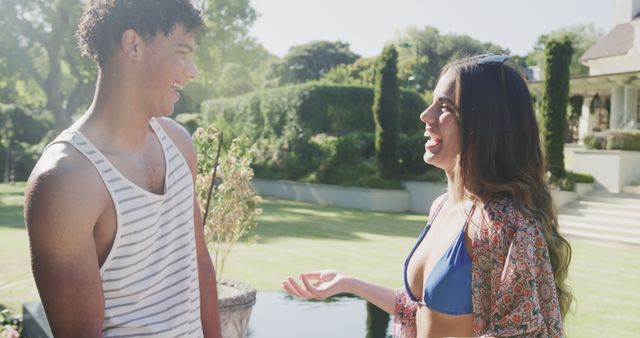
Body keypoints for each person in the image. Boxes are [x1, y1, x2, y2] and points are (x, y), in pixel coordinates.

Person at [282, 54, 573, 337]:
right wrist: (350, 283)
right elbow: (422, 313)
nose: (426, 115)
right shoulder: (442, 207)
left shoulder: (508, 224)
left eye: (445, 106)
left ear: (484, 125)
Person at [24, 1, 222, 337]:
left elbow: (199, 264)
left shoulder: (178, 143)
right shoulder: (66, 181)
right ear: (133, 44)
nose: (193, 71)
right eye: (183, 52)